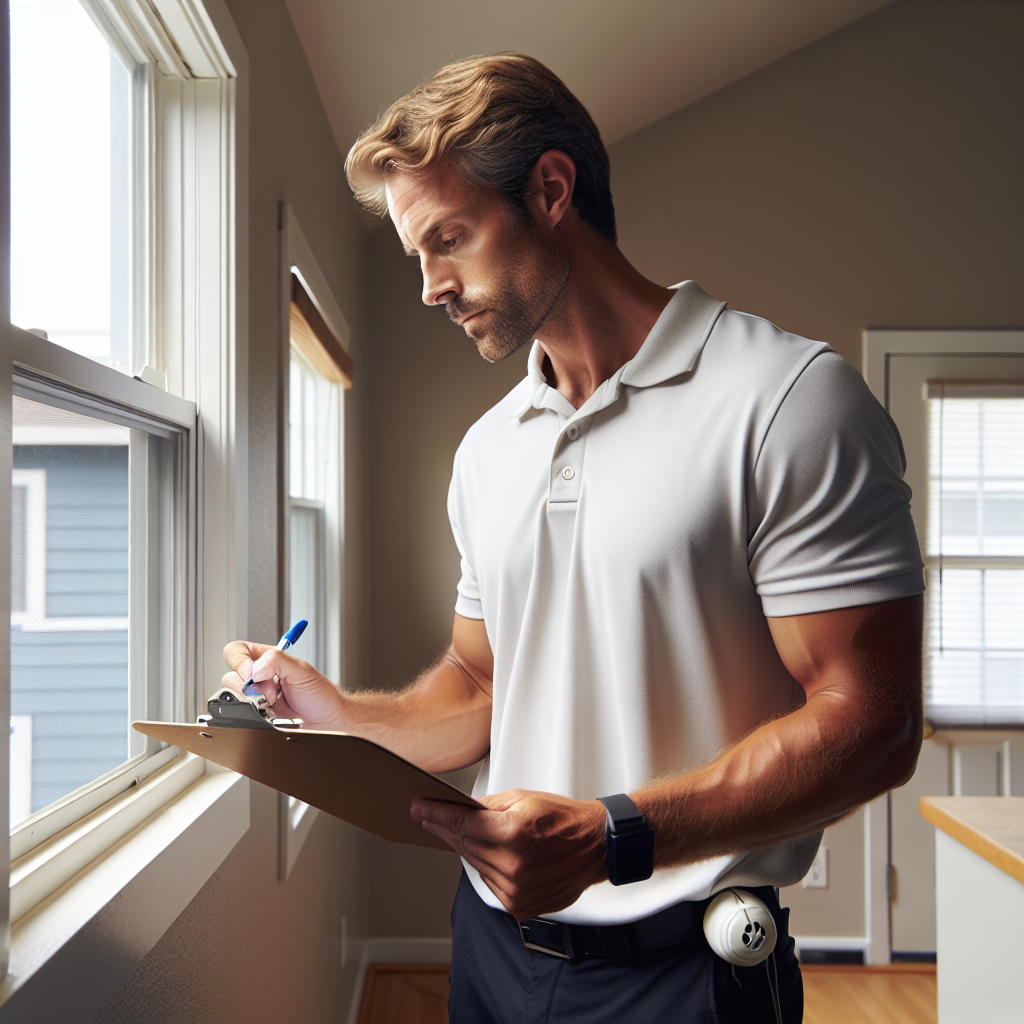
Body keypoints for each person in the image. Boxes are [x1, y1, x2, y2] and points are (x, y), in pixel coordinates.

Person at [223, 53, 924, 1023]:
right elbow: (476, 687)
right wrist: (330, 710)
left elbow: (870, 718)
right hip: (489, 947)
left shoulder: (788, 401)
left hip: (683, 973)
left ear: (551, 190)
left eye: (450, 238)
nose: (430, 286)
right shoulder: (486, 452)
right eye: (414, 256)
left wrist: (615, 834)